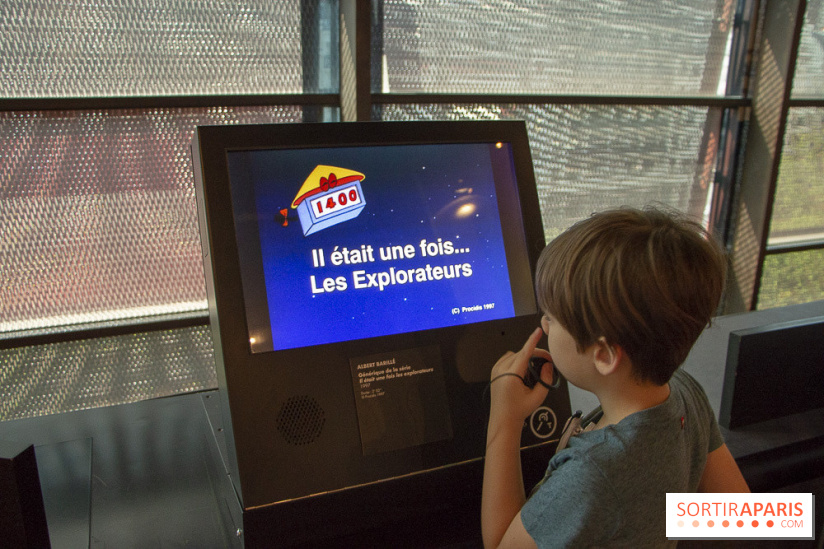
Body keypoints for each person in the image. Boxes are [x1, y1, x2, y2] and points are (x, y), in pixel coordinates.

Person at [481, 206, 749, 548]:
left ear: (605, 355)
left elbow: (500, 544)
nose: (544, 325)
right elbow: (737, 507)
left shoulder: (592, 474)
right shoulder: (685, 391)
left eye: (552, 317)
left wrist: (504, 417)